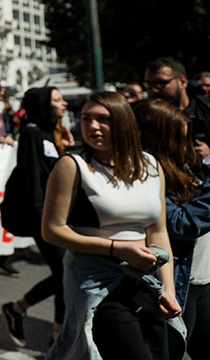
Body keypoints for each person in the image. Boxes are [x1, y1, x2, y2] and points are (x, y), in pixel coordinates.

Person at [42, 91, 182, 360]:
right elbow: (52, 230)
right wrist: (117, 249)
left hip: (146, 281)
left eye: (103, 119)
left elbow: (158, 231)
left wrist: (168, 290)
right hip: (97, 284)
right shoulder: (73, 165)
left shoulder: (151, 165)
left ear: (123, 122)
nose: (92, 126)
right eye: (86, 118)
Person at [134, 99, 210, 359]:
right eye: (182, 137)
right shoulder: (146, 174)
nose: (188, 143)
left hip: (203, 280)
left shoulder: (184, 168)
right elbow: (181, 223)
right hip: (178, 283)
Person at [0, 87, 70, 347]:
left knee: (64, 273)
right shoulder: (31, 132)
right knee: (64, 272)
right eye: (56, 99)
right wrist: (43, 219)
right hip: (43, 216)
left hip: (57, 214)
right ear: (42, 105)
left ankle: (18, 309)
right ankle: (57, 336)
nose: (63, 103)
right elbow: (32, 178)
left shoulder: (52, 133)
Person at [145, 57, 210, 163]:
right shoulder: (142, 116)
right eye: (149, 84)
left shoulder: (205, 110)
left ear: (183, 81)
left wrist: (208, 157)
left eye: (161, 83)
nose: (154, 89)